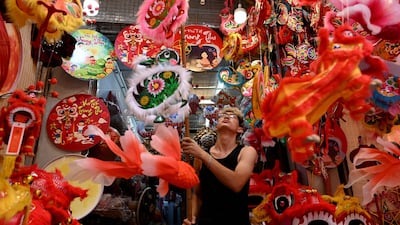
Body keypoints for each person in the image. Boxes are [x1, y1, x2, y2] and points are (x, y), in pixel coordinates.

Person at [181, 106, 258, 225]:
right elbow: (197, 194)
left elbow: (237, 183)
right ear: (216, 126)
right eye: (222, 115)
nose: (226, 116)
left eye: (233, 116)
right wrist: (193, 217)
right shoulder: (200, 157)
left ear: (240, 129)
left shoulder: (247, 152)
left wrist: (203, 155)